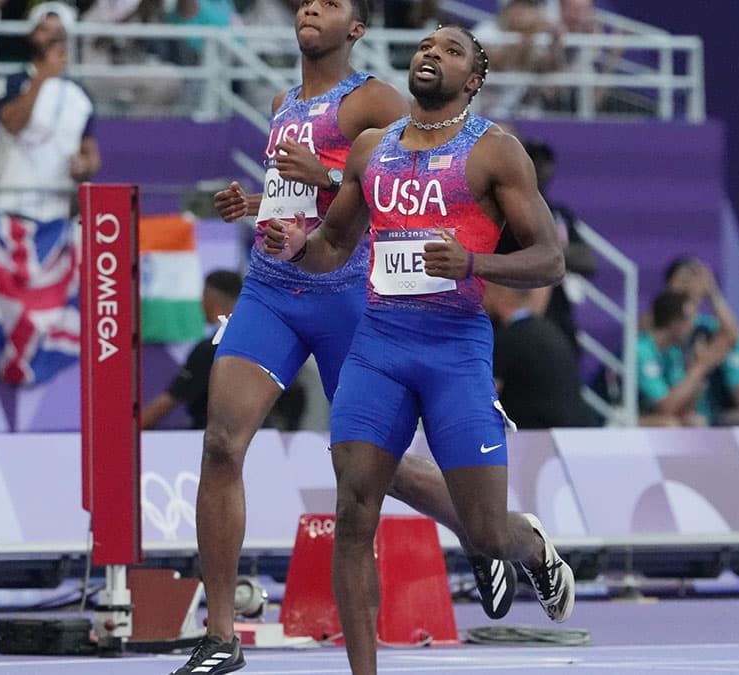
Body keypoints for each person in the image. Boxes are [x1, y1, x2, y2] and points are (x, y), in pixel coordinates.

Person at [172, 8, 516, 675]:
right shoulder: (280, 102)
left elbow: (396, 180)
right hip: (272, 286)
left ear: (355, 29)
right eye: (304, 3)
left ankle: (482, 529)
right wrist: (255, 207)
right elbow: (291, 199)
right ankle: (221, 633)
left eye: (328, 5)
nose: (308, 11)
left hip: (349, 293)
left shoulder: (378, 98)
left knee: (379, 470)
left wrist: (325, 178)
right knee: (220, 441)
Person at [263, 25, 574, 674]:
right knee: (352, 510)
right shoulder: (372, 149)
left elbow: (550, 259)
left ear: (475, 79)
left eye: (452, 50)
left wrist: (474, 261)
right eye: (427, 45)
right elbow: (333, 246)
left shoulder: (495, 152)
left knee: (486, 529)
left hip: (455, 352)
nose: (432, 53)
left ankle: (530, 546)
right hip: (379, 347)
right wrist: (290, 242)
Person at [0, 2, 100, 222]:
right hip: (10, 200)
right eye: (45, 30)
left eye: (59, 32)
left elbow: (90, 149)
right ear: (32, 33)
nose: (52, 38)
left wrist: (84, 165)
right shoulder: (12, 82)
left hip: (56, 208)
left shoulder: (80, 95)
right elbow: (13, 124)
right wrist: (42, 78)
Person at [496, 137, 596, 355]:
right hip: (515, 310)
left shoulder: (559, 213)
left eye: (546, 161)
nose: (542, 168)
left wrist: (547, 251)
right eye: (535, 160)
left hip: (557, 310)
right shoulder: (504, 211)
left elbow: (588, 260)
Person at [141, 270, 242, 431]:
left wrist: (127, 433)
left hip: (212, 436)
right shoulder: (256, 345)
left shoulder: (210, 349)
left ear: (209, 297)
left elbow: (171, 400)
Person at [483, 282, 593, 428]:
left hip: (534, 437)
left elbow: (485, 395)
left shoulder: (510, 338)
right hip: (569, 432)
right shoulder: (552, 331)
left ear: (500, 295)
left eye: (487, 291)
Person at [636, 290, 732, 427]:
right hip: (620, 415)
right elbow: (665, 408)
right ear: (674, 323)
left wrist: (700, 374)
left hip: (653, 415)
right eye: (690, 319)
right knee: (669, 425)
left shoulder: (673, 352)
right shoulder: (641, 351)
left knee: (695, 421)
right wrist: (699, 367)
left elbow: (682, 408)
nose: (693, 326)